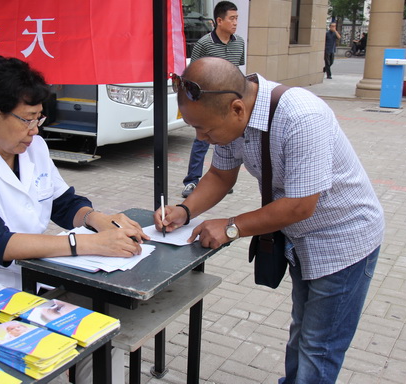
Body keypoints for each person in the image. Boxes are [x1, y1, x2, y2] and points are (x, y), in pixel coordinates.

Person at [157, 57, 384, 383]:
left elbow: (299, 206)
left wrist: (231, 227)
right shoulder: (230, 118)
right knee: (302, 334)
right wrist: (185, 210)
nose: (201, 138)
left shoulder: (302, 117)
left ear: (237, 109)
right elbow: (220, 176)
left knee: (319, 348)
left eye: (204, 129)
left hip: (344, 242)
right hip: (302, 240)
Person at [0, 55, 143, 384]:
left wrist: (98, 220)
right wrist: (87, 243)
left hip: (32, 286)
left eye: (39, 118)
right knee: (49, 360)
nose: (35, 129)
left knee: (104, 335)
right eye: (27, 119)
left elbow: (62, 203)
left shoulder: (34, 149)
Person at [181, 0, 245, 198]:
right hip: (207, 103)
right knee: (202, 140)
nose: (235, 23)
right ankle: (192, 181)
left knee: (228, 141)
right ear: (219, 20)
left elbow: (238, 71)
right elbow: (193, 72)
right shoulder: (204, 43)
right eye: (231, 18)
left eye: (237, 18)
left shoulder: (239, 43)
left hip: (229, 103)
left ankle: (224, 181)